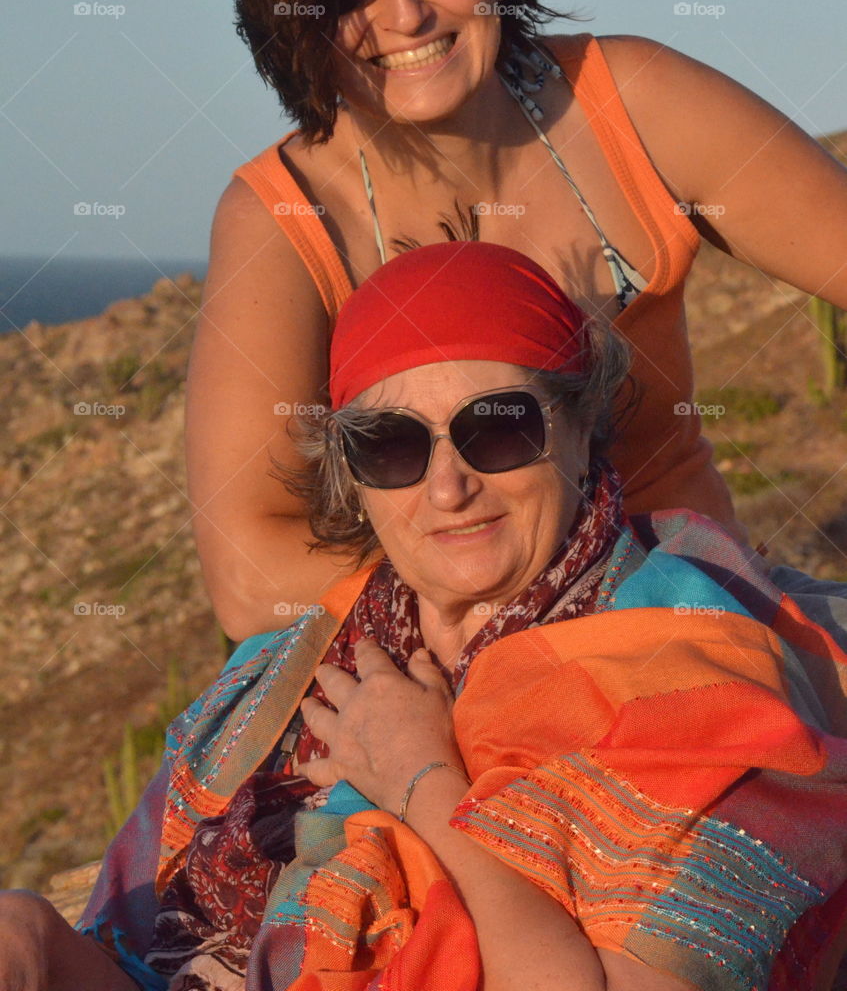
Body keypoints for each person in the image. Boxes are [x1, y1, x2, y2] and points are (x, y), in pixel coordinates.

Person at [6, 243, 847, 989]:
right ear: (353, 473)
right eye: (393, 445)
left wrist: (422, 777)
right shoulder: (293, 665)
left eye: (499, 428)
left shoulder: (679, 670)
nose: (447, 486)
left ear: (580, 420)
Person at [187, 0, 847, 642]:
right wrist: (500, 616)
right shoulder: (286, 215)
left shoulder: (633, 104)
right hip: (451, 677)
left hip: (698, 639)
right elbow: (243, 566)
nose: (405, 12)